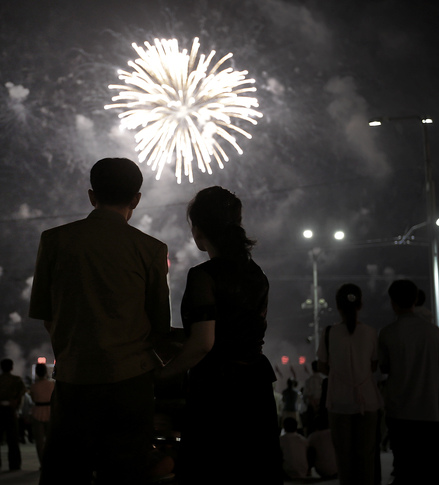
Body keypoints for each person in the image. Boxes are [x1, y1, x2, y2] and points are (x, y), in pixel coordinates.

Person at [29, 158, 171, 485]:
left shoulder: (54, 241)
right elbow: (159, 327)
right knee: (124, 475)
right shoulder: (150, 249)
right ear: (136, 199)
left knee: (65, 474)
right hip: (130, 383)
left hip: (74, 379)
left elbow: (47, 316)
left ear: (92, 196)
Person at [156, 186, 283, 484]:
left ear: (198, 231)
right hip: (256, 387)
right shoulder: (257, 274)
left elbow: (204, 342)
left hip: (219, 392)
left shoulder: (204, 276)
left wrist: (163, 373)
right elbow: (233, 328)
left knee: (214, 471)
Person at [378, 279, 439, 485]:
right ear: (416, 300)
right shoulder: (433, 331)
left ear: (393, 303)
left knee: (405, 467)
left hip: (399, 411)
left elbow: (384, 368)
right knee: (431, 465)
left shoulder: (387, 332)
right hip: (428, 411)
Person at [317, 283, 383, 485]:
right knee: (366, 458)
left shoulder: (328, 333)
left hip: (338, 402)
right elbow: (373, 366)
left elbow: (322, 367)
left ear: (338, 306)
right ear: (360, 305)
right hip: (368, 402)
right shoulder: (371, 332)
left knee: (344, 460)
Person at [0, 358, 26, 471]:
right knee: (13, 439)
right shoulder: (16, 380)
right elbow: (23, 390)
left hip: (0, 410)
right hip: (11, 411)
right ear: (11, 367)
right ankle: (14, 464)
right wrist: (16, 400)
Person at [30, 363, 54, 467]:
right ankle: (51, 462)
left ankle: (43, 463)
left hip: (37, 411)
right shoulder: (52, 384)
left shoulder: (34, 386)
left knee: (39, 442)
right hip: (50, 411)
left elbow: (33, 399)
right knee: (51, 440)